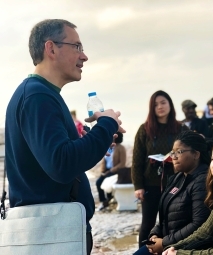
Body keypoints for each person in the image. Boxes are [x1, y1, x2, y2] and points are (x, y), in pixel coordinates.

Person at [5, 19, 124, 255]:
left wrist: (96, 138)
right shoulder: (37, 96)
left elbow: (55, 156)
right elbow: (61, 164)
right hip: (50, 235)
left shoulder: (39, 94)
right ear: (51, 48)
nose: (84, 56)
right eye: (77, 47)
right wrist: (106, 123)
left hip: (51, 232)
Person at [133, 130, 211, 255]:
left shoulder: (202, 181)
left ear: (196, 154)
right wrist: (155, 234)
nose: (173, 157)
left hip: (184, 246)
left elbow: (199, 223)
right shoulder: (177, 177)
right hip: (167, 241)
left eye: (179, 152)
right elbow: (166, 215)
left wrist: (164, 242)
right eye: (172, 152)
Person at [132, 90, 188, 247]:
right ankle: (143, 252)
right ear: (151, 108)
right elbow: (136, 160)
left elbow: (190, 155)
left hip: (176, 183)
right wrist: (138, 186)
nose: (160, 107)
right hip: (151, 184)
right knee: (147, 224)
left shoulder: (181, 129)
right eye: (156, 104)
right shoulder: (144, 129)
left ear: (170, 104)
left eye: (163, 102)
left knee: (174, 223)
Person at [96, 132, 126, 211]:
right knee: (98, 182)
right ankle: (103, 201)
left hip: (116, 171)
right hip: (107, 171)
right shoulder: (108, 147)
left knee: (107, 181)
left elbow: (122, 163)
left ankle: (109, 198)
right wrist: (103, 171)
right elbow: (104, 160)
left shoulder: (121, 148)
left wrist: (112, 170)